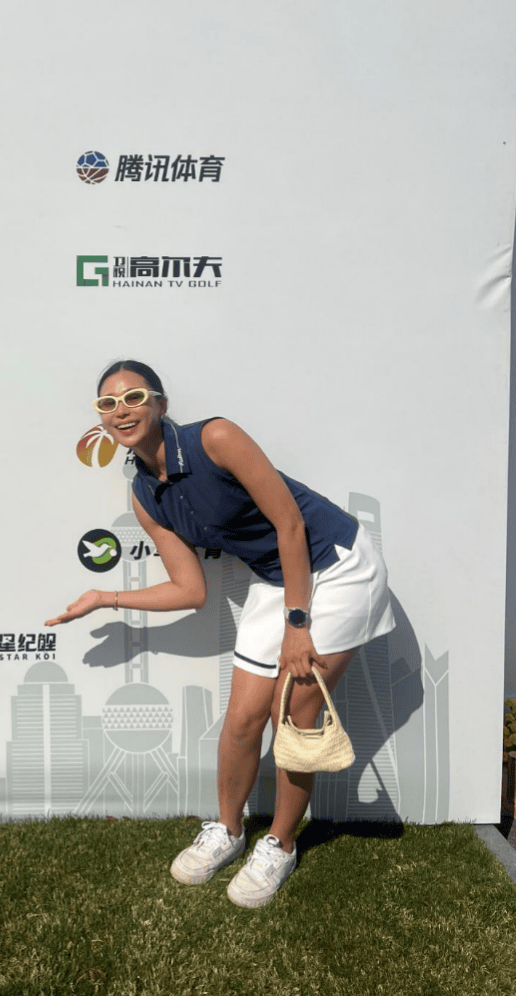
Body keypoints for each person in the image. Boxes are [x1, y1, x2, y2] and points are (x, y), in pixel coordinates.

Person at [46, 359, 395, 907]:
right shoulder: (144, 495)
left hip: (337, 565)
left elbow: (290, 524)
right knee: (241, 719)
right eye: (108, 404)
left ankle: (280, 844)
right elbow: (189, 590)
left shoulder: (216, 438)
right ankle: (228, 831)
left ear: (160, 404)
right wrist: (106, 598)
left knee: (292, 715)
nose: (122, 410)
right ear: (102, 420)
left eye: (134, 397)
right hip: (277, 577)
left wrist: (297, 624)